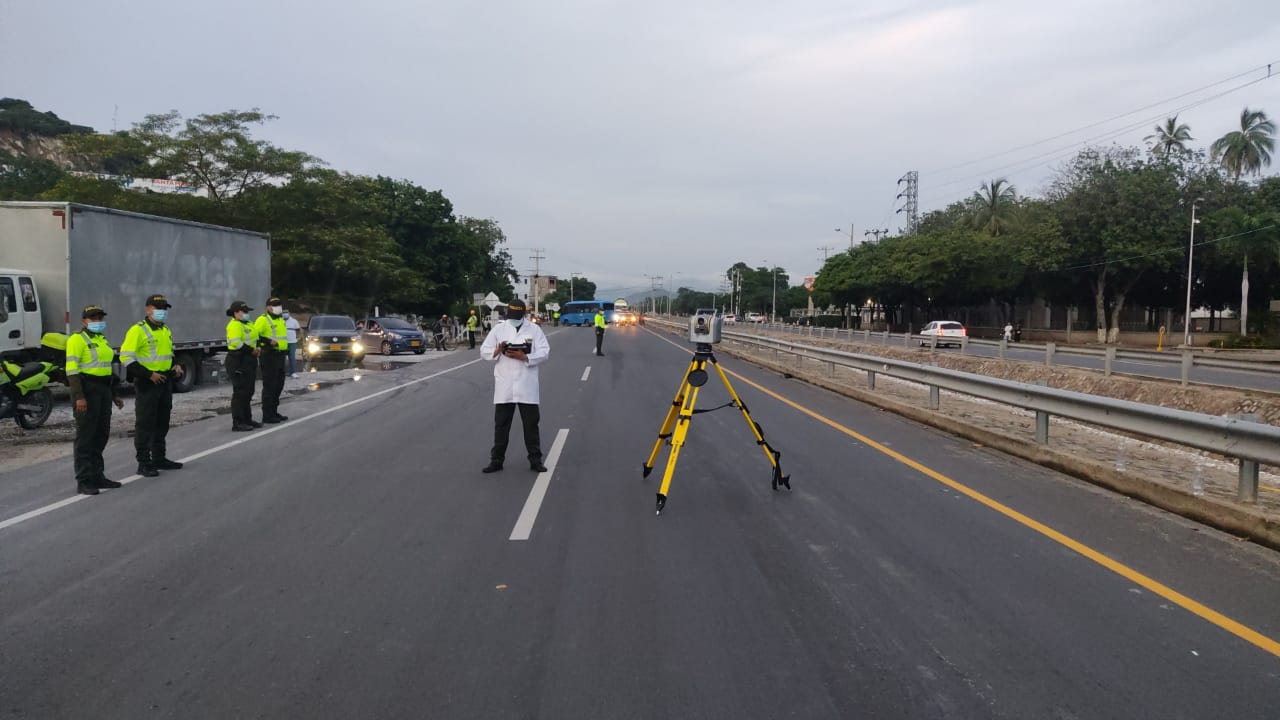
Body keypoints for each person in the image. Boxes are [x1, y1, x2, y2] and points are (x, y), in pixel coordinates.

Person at [480, 299, 550, 473]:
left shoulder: (534, 330)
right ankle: (496, 461)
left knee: (531, 425)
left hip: (527, 384)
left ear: (523, 315)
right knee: (501, 425)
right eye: (512, 316)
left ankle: (535, 460)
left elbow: (544, 351)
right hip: (505, 385)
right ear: (508, 314)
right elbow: (484, 350)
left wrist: (525, 357)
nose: (514, 319)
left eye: (517, 316)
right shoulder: (499, 329)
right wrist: (496, 352)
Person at [120, 294, 184, 478]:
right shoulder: (137, 330)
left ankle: (159, 458)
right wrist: (149, 374)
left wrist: (175, 365)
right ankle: (144, 462)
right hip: (147, 382)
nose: (162, 312)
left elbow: (169, 353)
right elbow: (126, 357)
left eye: (164, 308)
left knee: (162, 422)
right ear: (148, 310)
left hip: (164, 381)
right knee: (145, 424)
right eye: (158, 308)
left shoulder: (165, 330)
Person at [66, 305, 125, 495]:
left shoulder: (101, 339)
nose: (98, 322)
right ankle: (84, 480)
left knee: (101, 434)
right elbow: (72, 371)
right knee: (85, 437)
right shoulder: (77, 339)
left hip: (103, 390)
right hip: (87, 390)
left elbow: (107, 369)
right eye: (93, 318)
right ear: (84, 321)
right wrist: (79, 397)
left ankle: (98, 475)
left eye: (100, 318)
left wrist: (114, 394)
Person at [224, 300, 261, 432]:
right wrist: (252, 350)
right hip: (237, 360)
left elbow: (255, 338)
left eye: (247, 312)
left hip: (249, 359)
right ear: (236, 313)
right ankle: (238, 422)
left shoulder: (248, 324)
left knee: (249, 391)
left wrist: (257, 348)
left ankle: (247, 418)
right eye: (244, 312)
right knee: (240, 392)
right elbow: (236, 343)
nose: (246, 314)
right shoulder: (234, 325)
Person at [254, 297, 289, 424]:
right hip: (269, 355)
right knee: (270, 386)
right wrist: (268, 342)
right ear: (268, 307)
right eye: (275, 305)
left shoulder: (280, 319)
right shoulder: (262, 319)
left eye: (279, 304)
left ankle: (274, 411)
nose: (278, 307)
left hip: (280, 355)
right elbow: (255, 335)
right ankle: (267, 415)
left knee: (279, 385)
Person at [284, 308, 301, 378]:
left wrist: (298, 338)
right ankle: (282, 372)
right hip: (283, 343)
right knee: (282, 358)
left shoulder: (294, 321)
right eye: (283, 312)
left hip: (292, 342)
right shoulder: (280, 321)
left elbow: (298, 330)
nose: (285, 314)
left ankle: (293, 372)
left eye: (286, 312)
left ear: (289, 313)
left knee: (292, 357)